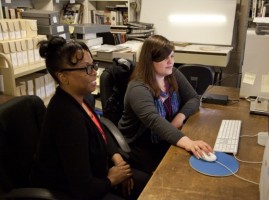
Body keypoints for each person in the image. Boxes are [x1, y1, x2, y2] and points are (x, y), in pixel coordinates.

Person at [30, 36, 149, 200]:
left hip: (97, 173)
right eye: (86, 68)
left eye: (93, 65)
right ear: (63, 77)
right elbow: (82, 189)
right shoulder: (66, 118)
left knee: (148, 184)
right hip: (73, 192)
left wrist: (117, 158)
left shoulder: (83, 98)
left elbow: (98, 130)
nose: (94, 72)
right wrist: (112, 179)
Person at [118, 35, 213, 174]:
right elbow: (154, 120)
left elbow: (193, 98)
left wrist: (179, 118)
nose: (170, 62)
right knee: (179, 172)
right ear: (149, 61)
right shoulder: (138, 88)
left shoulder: (172, 74)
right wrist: (188, 143)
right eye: (164, 58)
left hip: (165, 136)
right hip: (142, 145)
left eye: (172, 56)